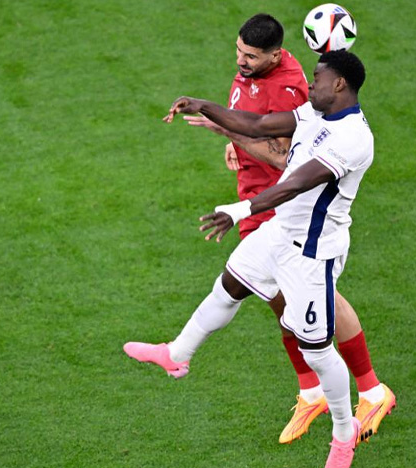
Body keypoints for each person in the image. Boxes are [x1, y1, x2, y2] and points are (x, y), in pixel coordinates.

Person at [124, 14, 394, 445]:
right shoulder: (313, 110)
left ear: (339, 84)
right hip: (279, 227)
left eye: (318, 80)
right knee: (232, 285)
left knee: (316, 347)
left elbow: (293, 180)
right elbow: (256, 125)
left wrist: (238, 210)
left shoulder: (352, 139)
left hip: (310, 248)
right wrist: (202, 105)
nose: (310, 87)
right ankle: (177, 354)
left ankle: (349, 426)